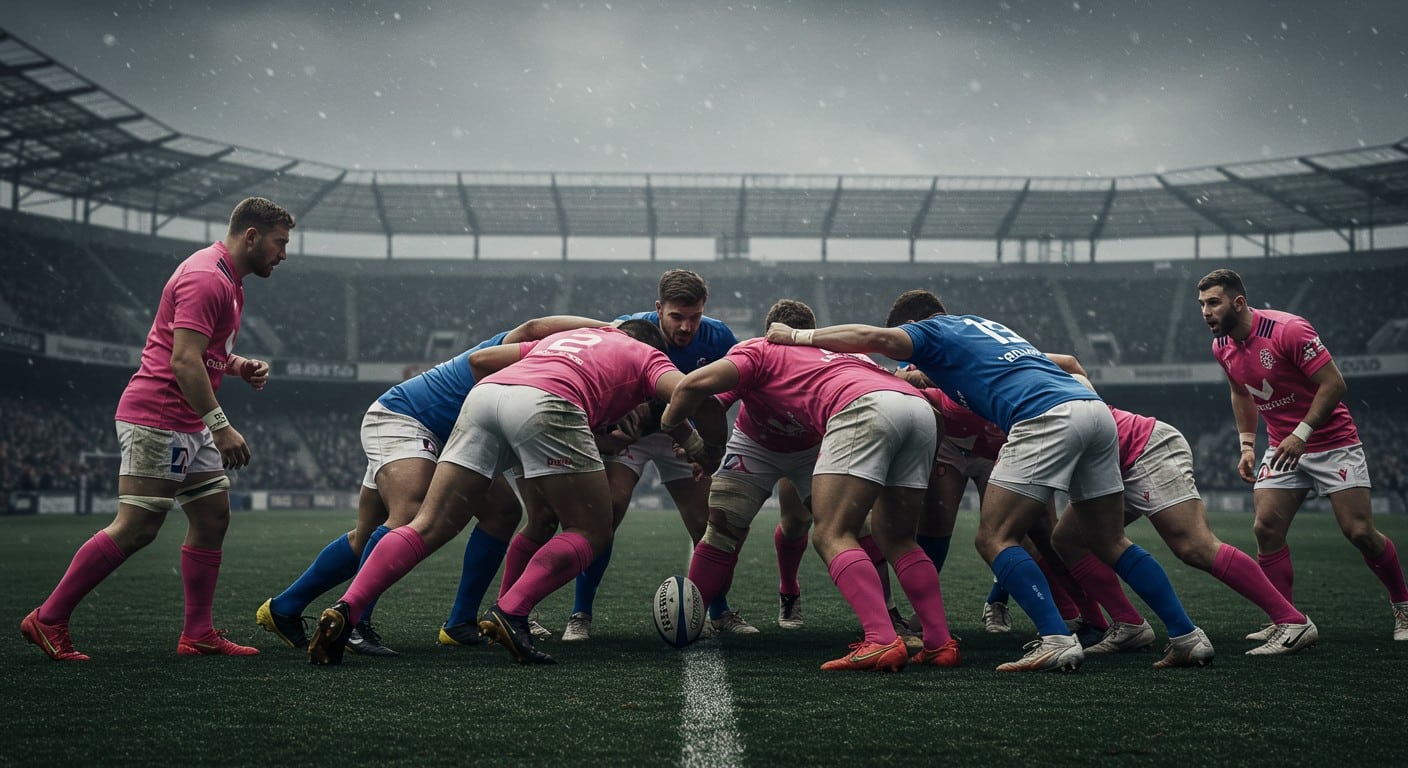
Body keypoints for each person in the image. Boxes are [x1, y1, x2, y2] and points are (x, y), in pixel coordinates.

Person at [767, 289, 1213, 672]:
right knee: (1110, 539)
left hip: (1045, 418)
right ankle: (1186, 635)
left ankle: (1056, 640)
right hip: (1094, 412)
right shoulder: (983, 325)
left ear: (914, 324)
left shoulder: (930, 330)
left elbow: (873, 339)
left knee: (994, 537)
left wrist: (798, 337)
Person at [305, 320, 722, 665]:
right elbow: (690, 392)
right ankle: (511, 611)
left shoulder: (565, 339)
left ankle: (347, 608)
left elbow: (482, 359)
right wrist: (710, 449)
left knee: (429, 523)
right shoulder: (646, 354)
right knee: (593, 530)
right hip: (549, 403)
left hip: (487, 397)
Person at [21, 197, 294, 661]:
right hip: (160, 415)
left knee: (212, 518)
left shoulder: (229, 280)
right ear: (251, 235)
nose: (283, 253)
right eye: (279, 242)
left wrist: (238, 365)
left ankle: (198, 633)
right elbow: (183, 360)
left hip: (187, 418)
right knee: (138, 526)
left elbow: (204, 351)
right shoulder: (206, 276)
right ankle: (48, 618)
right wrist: (222, 427)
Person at [255, 315, 608, 655]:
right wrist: (609, 327)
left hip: (454, 438)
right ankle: (353, 622)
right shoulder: (538, 350)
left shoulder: (554, 372)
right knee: (409, 513)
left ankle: (288, 608)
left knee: (498, 513)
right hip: (406, 419)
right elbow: (531, 326)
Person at [665, 299, 958, 671]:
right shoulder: (835, 348)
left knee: (829, 533)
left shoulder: (760, 346)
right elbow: (716, 401)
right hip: (904, 411)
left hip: (834, 427)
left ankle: (881, 637)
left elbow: (697, 388)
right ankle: (939, 642)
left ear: (772, 331)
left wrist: (682, 434)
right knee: (896, 537)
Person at [1197, 268, 1408, 641]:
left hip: (1332, 442)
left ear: (1239, 302)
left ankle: (1404, 607)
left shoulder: (1287, 330)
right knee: (1266, 527)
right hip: (1282, 446)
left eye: (1213, 302)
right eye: (1202, 305)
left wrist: (1302, 433)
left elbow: (1335, 383)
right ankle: (1287, 620)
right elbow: (1242, 392)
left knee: (1359, 532)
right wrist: (1247, 444)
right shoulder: (1221, 347)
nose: (1206, 312)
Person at [560, 269, 755, 642]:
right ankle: (580, 613)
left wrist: (702, 439)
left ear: (704, 310)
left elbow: (733, 388)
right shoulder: (628, 331)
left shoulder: (719, 337)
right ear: (658, 308)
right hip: (632, 435)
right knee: (607, 513)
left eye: (694, 316)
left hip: (681, 435)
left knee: (707, 523)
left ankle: (719, 611)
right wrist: (608, 428)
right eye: (677, 317)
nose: (686, 327)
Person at [1050, 393, 1318, 656]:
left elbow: (1072, 365)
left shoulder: (1014, 374)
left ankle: (1291, 620)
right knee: (1068, 539)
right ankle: (1128, 624)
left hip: (1143, 448)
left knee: (1195, 546)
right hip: (1105, 464)